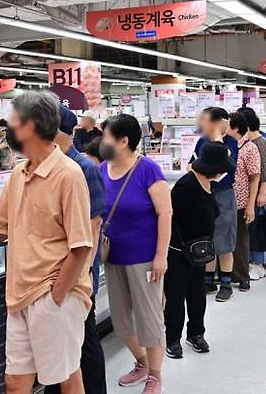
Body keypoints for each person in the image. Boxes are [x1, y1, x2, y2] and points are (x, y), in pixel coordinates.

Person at [0, 91, 93, 394]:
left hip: (51, 294)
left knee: (66, 378)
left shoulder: (69, 175)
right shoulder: (18, 174)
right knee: (15, 383)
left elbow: (82, 245)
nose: (9, 133)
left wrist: (56, 296)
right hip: (18, 296)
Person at [99, 113, 171, 394]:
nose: (101, 141)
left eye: (105, 136)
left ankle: (155, 375)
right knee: (122, 320)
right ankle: (141, 363)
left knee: (150, 319)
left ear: (123, 141)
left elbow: (165, 213)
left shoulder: (148, 170)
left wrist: (161, 256)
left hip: (145, 259)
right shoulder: (103, 169)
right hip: (113, 257)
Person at [45, 105, 107, 394]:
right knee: (63, 346)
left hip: (77, 279)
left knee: (85, 342)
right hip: (54, 276)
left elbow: (93, 228)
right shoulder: (45, 167)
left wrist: (78, 280)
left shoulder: (85, 168)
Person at [164, 142, 234, 360]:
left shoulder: (208, 184)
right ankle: (172, 339)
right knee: (176, 297)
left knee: (197, 295)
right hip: (178, 251)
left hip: (199, 252)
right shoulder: (186, 186)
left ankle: (196, 333)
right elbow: (171, 218)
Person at [190, 107, 238, 302]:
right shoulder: (201, 141)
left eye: (206, 120)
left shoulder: (231, 143)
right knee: (206, 238)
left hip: (224, 195)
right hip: (204, 195)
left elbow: (222, 167)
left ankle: (226, 282)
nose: (202, 124)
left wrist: (218, 136)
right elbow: (191, 165)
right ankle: (208, 280)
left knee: (225, 241)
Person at [227, 113, 260, 292]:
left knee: (240, 239)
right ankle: (225, 273)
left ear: (235, 128)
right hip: (223, 200)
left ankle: (242, 276)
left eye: (227, 126)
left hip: (240, 201)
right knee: (224, 239)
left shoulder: (249, 148)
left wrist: (250, 205)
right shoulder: (226, 146)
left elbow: (255, 177)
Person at [240, 109, 266, 280]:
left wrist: (262, 193)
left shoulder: (262, 142)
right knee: (250, 229)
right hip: (249, 194)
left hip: (261, 193)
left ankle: (259, 263)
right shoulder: (244, 143)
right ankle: (251, 261)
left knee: (259, 228)